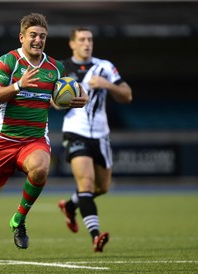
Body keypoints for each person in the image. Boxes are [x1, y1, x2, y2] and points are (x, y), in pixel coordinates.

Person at [0, 13, 88, 272]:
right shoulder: (8, 62)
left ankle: (19, 219)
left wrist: (76, 97)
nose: (38, 40)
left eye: (42, 36)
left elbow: (56, 96)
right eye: (33, 35)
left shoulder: (55, 68)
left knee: (41, 168)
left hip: (35, 139)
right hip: (4, 141)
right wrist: (18, 86)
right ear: (22, 37)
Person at [58, 26, 132, 252]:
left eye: (89, 39)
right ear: (72, 43)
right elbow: (51, 101)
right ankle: (96, 236)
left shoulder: (105, 67)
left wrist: (106, 85)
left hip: (101, 135)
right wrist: (62, 99)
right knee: (87, 184)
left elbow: (127, 95)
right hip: (75, 131)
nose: (87, 43)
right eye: (81, 39)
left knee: (103, 187)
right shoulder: (62, 68)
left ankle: (70, 205)